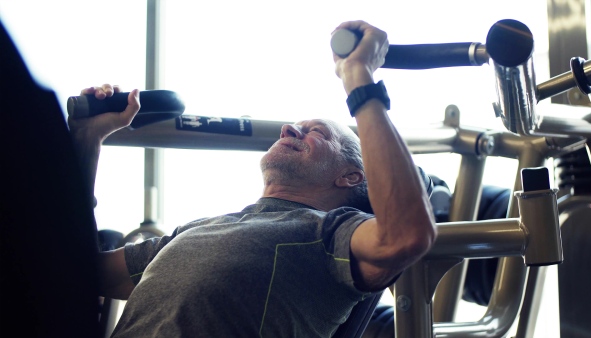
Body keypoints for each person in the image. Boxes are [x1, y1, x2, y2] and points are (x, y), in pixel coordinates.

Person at [69, 20, 437, 337]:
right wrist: (87, 140)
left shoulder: (331, 232)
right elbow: (72, 270)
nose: (289, 128)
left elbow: (405, 236)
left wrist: (359, 77)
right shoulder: (200, 229)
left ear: (351, 175)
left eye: (316, 132)